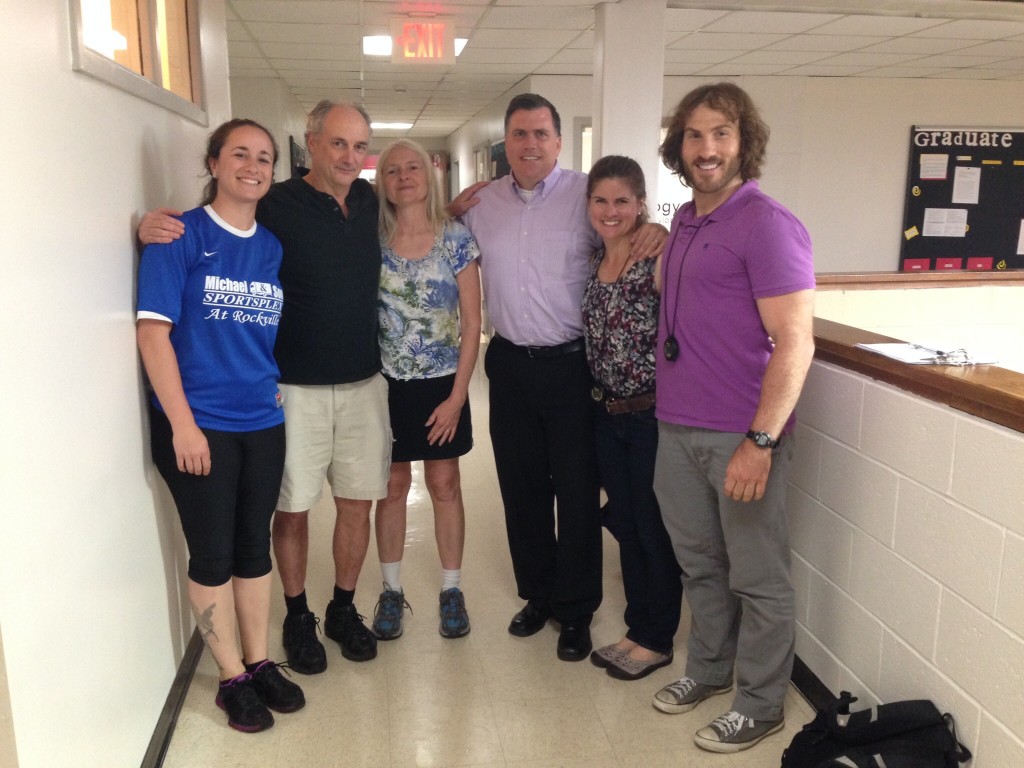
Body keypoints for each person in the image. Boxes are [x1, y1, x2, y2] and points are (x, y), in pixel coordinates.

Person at [138, 101, 390, 674]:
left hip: (343, 387)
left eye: (359, 147)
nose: (349, 157)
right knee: (288, 513)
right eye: (337, 144)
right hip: (285, 391)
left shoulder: (367, 200)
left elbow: (422, 210)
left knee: (353, 505)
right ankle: (295, 620)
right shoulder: (274, 203)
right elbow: (207, 227)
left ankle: (337, 612)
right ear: (311, 143)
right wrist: (145, 225)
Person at [449, 94, 667, 662]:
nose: (530, 144)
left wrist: (661, 228)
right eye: (519, 134)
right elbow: (439, 237)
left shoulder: (584, 195)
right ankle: (537, 596)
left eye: (541, 133)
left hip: (573, 367)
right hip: (510, 364)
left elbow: (627, 224)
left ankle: (576, 612)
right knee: (521, 492)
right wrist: (447, 208)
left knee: (574, 493)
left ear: (558, 141)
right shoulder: (481, 204)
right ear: (506, 142)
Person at [650, 82, 816, 754]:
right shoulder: (688, 220)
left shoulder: (768, 224)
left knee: (758, 576)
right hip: (676, 427)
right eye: (694, 135)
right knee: (699, 566)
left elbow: (796, 341)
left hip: (739, 435)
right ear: (679, 147)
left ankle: (761, 703)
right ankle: (710, 670)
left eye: (720, 133)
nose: (706, 148)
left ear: (744, 140)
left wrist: (760, 440)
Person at [136, 119, 305, 732]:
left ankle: (259, 662)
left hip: (262, 419)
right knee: (212, 555)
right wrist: (182, 425)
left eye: (264, 158)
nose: (254, 166)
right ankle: (230, 677)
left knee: (251, 548)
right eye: (240, 154)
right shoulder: (177, 235)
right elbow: (153, 335)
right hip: (197, 424)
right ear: (214, 162)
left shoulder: (270, 244)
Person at [370, 139, 482, 640]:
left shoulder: (455, 238)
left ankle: (452, 588)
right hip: (385, 385)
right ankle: (391, 591)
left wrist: (458, 397)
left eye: (413, 167)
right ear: (382, 182)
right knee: (391, 490)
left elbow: (473, 323)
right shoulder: (370, 238)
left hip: (442, 384)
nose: (404, 176)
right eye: (392, 170)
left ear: (429, 175)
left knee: (445, 486)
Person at [581, 156, 682, 681]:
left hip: (648, 417)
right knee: (624, 524)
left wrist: (665, 232)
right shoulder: (596, 259)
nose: (611, 210)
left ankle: (656, 637)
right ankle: (636, 627)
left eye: (622, 200)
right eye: (601, 200)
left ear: (641, 203)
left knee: (651, 528)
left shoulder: (657, 258)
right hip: (605, 416)